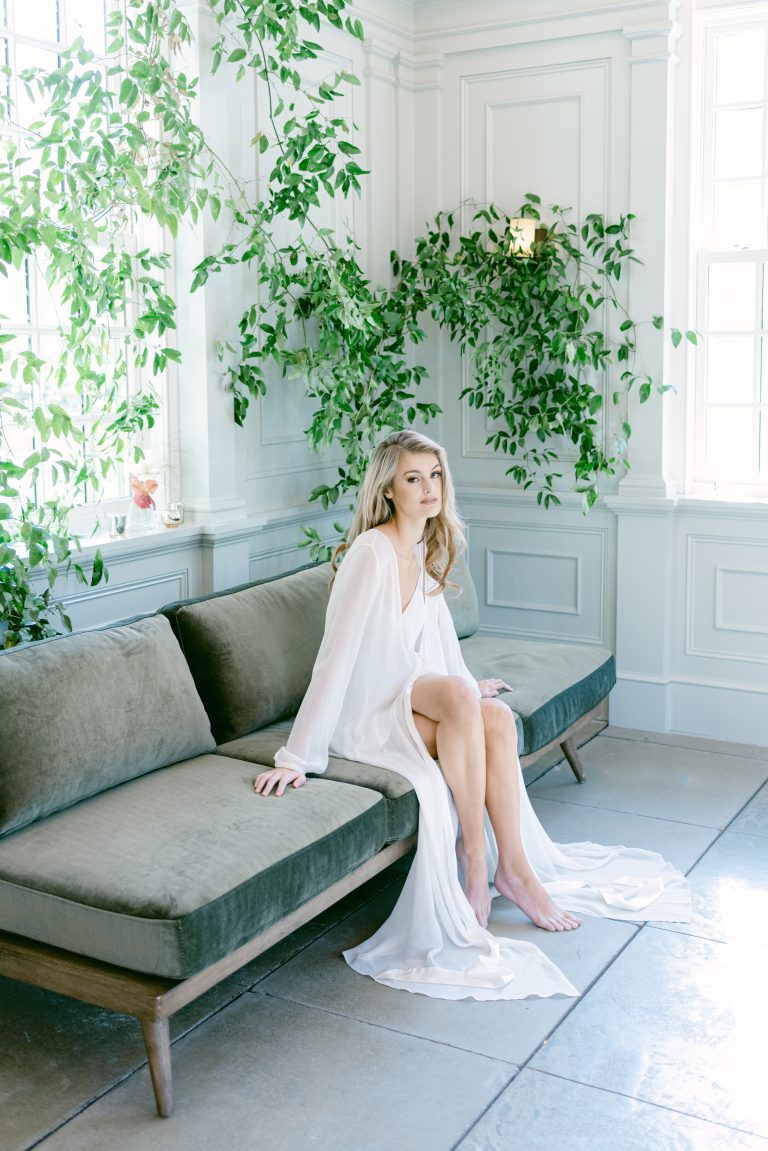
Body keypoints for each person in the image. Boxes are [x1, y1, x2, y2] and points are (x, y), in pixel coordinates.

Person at [254, 430, 690, 1001]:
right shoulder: (371, 554)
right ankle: (475, 855)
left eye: (435, 475)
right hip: (364, 713)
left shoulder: (423, 548)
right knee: (468, 702)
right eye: (413, 478)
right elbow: (335, 658)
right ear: (388, 490)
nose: (429, 488)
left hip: (407, 697)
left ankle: (515, 870)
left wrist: (465, 683)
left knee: (497, 718)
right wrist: (296, 756)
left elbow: (434, 637)